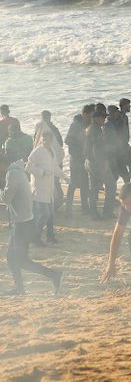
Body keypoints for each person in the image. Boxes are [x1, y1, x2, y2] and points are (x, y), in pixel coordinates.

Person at [0, 154, 64, 296]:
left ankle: (54, 275)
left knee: (20, 260)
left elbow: (6, 198)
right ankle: (19, 287)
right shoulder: (15, 171)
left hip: (23, 224)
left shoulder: (13, 174)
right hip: (23, 222)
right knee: (12, 257)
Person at [26, 130, 67, 244]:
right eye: (44, 139)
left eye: (48, 140)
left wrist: (64, 176)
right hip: (39, 188)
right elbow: (28, 167)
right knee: (44, 214)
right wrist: (42, 172)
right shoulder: (37, 152)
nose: (46, 141)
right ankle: (36, 238)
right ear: (41, 139)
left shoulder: (51, 150)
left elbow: (55, 167)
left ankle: (50, 236)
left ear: (51, 140)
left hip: (49, 188)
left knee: (51, 214)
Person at [85, 109, 117, 219]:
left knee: (93, 188)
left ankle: (93, 213)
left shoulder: (89, 128)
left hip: (89, 162)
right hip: (98, 162)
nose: (105, 119)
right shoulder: (96, 130)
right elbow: (97, 148)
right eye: (103, 117)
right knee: (111, 186)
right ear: (97, 118)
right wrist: (103, 162)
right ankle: (107, 212)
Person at [65, 104, 94, 216]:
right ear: (85, 114)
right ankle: (68, 208)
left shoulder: (87, 123)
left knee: (85, 183)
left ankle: (84, 207)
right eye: (91, 115)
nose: (92, 117)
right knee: (74, 183)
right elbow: (68, 140)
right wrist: (80, 150)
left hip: (83, 158)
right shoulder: (76, 124)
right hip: (76, 158)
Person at [33, 110, 64, 210]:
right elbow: (61, 143)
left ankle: (52, 205)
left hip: (48, 160)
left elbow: (36, 143)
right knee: (55, 182)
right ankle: (55, 204)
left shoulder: (40, 129)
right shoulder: (54, 129)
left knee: (49, 183)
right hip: (57, 159)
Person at [118, 98, 131, 185]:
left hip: (125, 145)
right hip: (121, 147)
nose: (130, 106)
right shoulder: (120, 117)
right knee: (126, 168)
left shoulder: (125, 117)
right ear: (124, 106)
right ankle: (130, 187)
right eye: (128, 105)